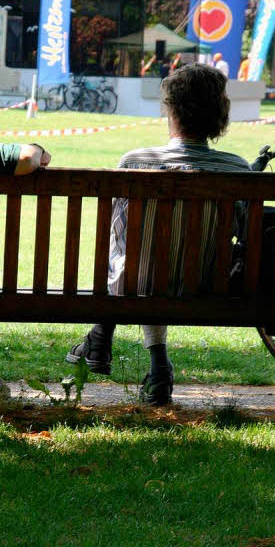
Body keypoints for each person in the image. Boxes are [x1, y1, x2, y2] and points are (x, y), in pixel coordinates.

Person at [64, 64, 251, 406]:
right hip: (206, 286)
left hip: (134, 285)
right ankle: (151, 365)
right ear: (219, 115)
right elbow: (246, 235)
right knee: (163, 260)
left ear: (171, 109)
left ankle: (102, 332)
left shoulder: (135, 163)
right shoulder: (237, 169)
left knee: (142, 258)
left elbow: (118, 236)